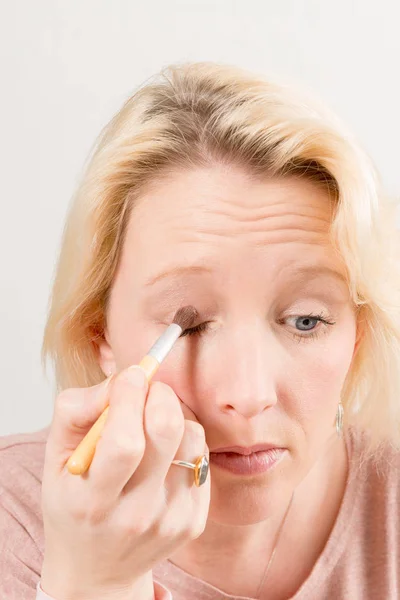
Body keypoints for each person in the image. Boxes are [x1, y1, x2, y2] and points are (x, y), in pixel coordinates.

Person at [1, 61, 399, 600]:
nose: (249, 395)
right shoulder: (14, 524)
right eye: (186, 327)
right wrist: (95, 582)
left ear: (357, 334)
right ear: (102, 336)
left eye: (306, 320)